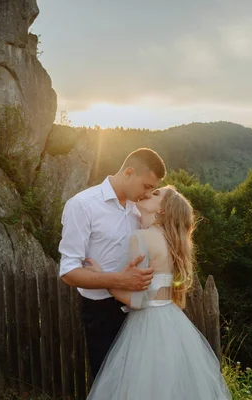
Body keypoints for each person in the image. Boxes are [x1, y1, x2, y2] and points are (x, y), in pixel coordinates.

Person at [84, 185, 231, 399]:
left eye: (155, 194)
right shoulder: (172, 242)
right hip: (171, 323)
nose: (146, 194)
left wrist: (103, 279)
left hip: (146, 327)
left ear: (162, 209)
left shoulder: (141, 237)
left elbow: (138, 301)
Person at [58, 148, 166, 377]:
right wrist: (118, 280)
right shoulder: (82, 205)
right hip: (101, 313)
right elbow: (68, 272)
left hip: (139, 310)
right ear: (129, 172)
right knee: (108, 381)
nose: (148, 194)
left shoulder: (140, 210)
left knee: (138, 381)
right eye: (146, 186)